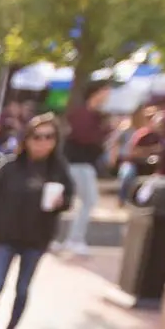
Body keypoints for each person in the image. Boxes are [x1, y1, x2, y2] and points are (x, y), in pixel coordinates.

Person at [0, 113, 73, 329]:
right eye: (37, 137)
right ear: (26, 139)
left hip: (36, 239)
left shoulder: (58, 171)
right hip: (7, 236)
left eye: (49, 137)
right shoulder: (10, 166)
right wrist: (2, 217)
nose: (42, 142)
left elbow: (69, 199)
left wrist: (61, 202)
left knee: (23, 289)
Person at [58, 81, 110, 256]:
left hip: (82, 163)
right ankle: (74, 239)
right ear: (96, 93)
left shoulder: (93, 115)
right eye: (105, 91)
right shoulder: (85, 115)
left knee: (77, 201)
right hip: (79, 163)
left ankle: (65, 239)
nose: (107, 96)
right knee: (88, 201)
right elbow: (85, 138)